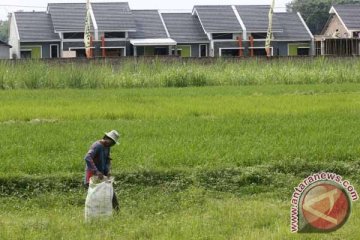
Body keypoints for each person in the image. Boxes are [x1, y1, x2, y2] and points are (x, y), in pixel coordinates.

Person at [84, 130, 120, 211]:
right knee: (93, 196)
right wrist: (96, 172)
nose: (112, 144)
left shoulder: (107, 147)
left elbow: (107, 159)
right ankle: (94, 215)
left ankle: (117, 213)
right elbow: (87, 158)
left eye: (113, 143)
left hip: (102, 174)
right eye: (112, 142)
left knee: (111, 194)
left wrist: (108, 171)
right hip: (93, 175)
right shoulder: (97, 145)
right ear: (106, 138)